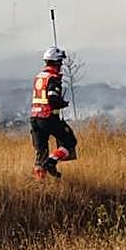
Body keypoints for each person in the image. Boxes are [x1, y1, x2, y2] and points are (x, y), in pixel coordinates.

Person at [30, 46, 77, 180]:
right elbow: (52, 99)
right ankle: (51, 163)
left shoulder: (39, 76)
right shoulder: (53, 78)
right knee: (69, 142)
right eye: (60, 62)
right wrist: (63, 103)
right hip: (48, 117)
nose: (61, 65)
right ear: (56, 62)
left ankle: (40, 182)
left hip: (34, 119)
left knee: (41, 151)